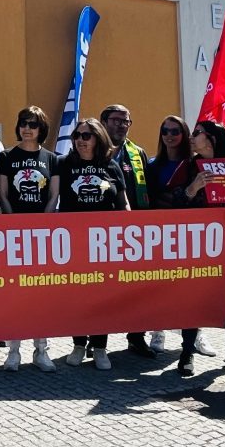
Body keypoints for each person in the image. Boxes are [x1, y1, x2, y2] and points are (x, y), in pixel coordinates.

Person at [174, 121, 225, 377]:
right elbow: (174, 202)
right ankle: (186, 352)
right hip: (197, 240)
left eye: (197, 134)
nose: (191, 138)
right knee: (194, 292)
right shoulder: (188, 166)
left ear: (212, 139)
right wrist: (194, 187)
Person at [53, 118, 126, 371]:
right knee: (78, 297)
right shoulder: (64, 164)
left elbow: (122, 204)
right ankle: (78, 344)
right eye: (77, 135)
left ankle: (100, 347)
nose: (81, 140)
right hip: (74, 244)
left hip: (103, 245)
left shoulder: (111, 166)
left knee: (101, 297)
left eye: (87, 136)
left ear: (98, 138)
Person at [0, 105, 59, 372]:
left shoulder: (52, 158)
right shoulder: (6, 156)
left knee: (41, 296)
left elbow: (54, 195)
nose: (27, 128)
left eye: (33, 124)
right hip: (13, 233)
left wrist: (42, 222)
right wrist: (13, 222)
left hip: (42, 234)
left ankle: (41, 349)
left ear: (41, 128)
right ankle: (13, 350)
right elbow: (2, 193)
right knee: (15, 295)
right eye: (23, 123)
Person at [100, 104, 159, 359]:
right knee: (101, 289)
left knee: (136, 288)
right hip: (100, 234)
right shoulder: (91, 149)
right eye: (116, 120)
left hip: (133, 234)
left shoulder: (138, 153)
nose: (122, 125)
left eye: (126, 121)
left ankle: (136, 337)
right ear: (103, 122)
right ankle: (96, 339)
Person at [144, 115, 192, 354]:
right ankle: (157, 331)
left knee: (189, 288)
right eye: (165, 131)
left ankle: (194, 335)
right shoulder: (152, 165)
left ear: (184, 134)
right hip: (159, 233)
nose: (169, 135)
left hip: (189, 235)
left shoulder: (194, 164)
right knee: (159, 286)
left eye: (175, 131)